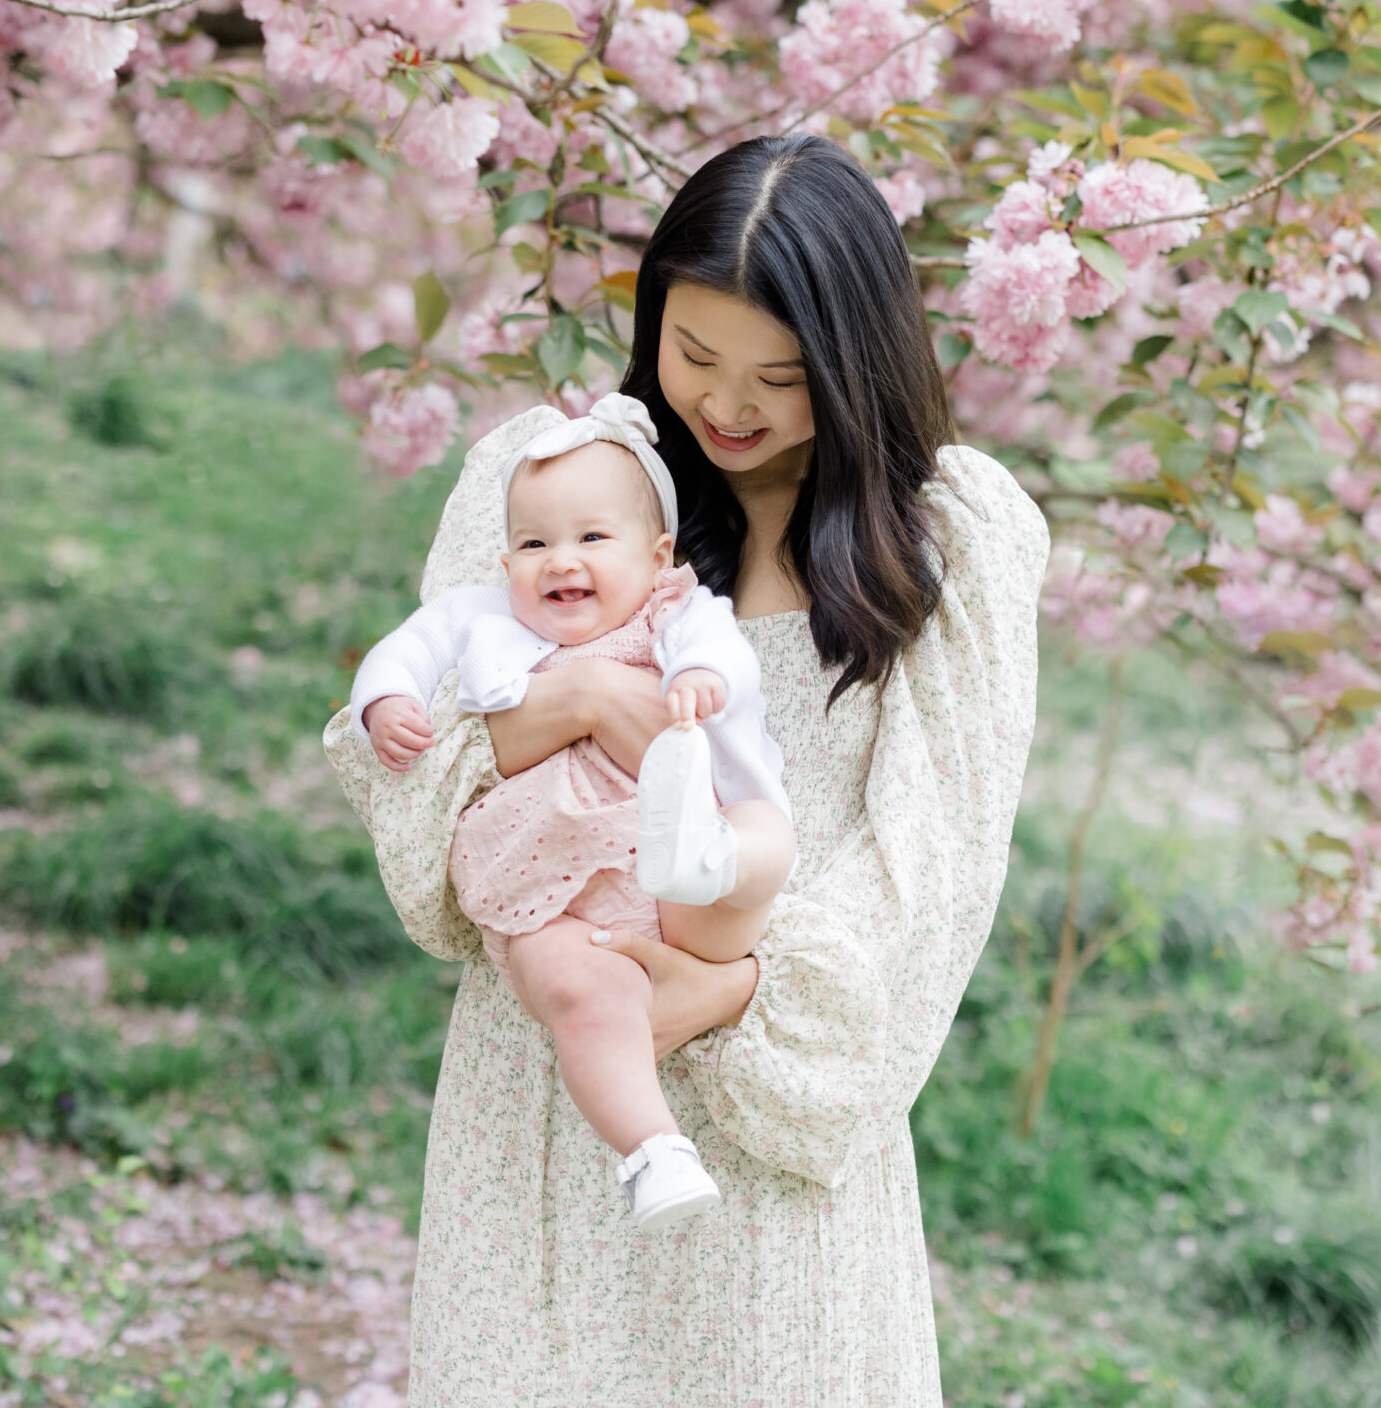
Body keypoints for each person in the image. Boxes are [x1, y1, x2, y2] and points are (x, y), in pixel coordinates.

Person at [323, 134, 1047, 1405]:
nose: (725, 406)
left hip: (774, 1102)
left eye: (778, 375)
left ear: (857, 359)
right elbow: (410, 762)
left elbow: (933, 869)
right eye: (693, 354)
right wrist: (585, 698)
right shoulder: (556, 487)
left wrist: (729, 991)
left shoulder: (945, 545)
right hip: (550, 1069)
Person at [346, 392, 798, 1227]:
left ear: (658, 555)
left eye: (592, 538)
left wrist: (704, 679)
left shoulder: (676, 613)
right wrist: (387, 698)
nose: (560, 561)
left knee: (765, 834)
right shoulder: (486, 613)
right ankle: (653, 1148)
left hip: (665, 867)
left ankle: (718, 857)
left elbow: (719, 649)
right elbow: (410, 643)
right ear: (506, 555)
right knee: (579, 998)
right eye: (534, 542)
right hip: (548, 892)